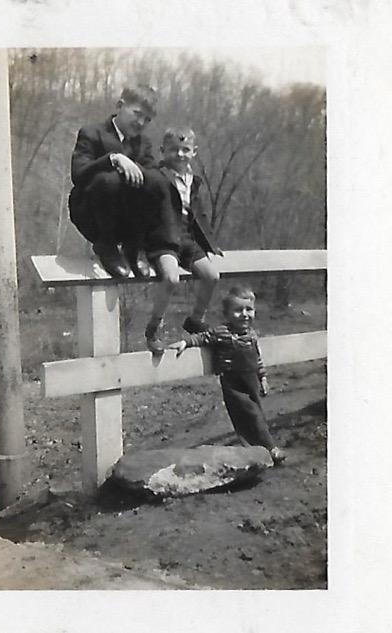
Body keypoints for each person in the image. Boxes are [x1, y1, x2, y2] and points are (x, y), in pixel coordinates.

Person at [169, 284, 287, 465]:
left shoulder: (251, 334)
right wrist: (186, 342)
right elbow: (203, 337)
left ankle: (256, 450)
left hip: (251, 380)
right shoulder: (223, 332)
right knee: (249, 414)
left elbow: (257, 359)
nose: (245, 314)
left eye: (249, 309)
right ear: (227, 313)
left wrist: (263, 378)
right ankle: (271, 448)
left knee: (257, 414)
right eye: (238, 310)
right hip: (233, 382)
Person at [69, 85, 169, 279]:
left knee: (158, 180)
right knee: (109, 179)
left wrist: (137, 169)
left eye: (147, 119)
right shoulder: (92, 132)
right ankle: (107, 247)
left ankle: (135, 246)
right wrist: (113, 159)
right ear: (120, 106)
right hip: (92, 214)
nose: (141, 122)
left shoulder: (142, 143)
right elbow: (78, 173)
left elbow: (154, 177)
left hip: (126, 217)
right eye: (137, 113)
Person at [144, 126, 222, 354]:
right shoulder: (155, 177)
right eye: (173, 150)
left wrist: (210, 242)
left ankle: (195, 320)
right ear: (162, 151)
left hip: (188, 239)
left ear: (194, 152)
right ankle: (153, 328)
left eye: (185, 149)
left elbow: (199, 213)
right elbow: (141, 210)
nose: (179, 154)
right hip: (164, 239)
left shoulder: (193, 180)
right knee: (171, 278)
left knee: (211, 275)